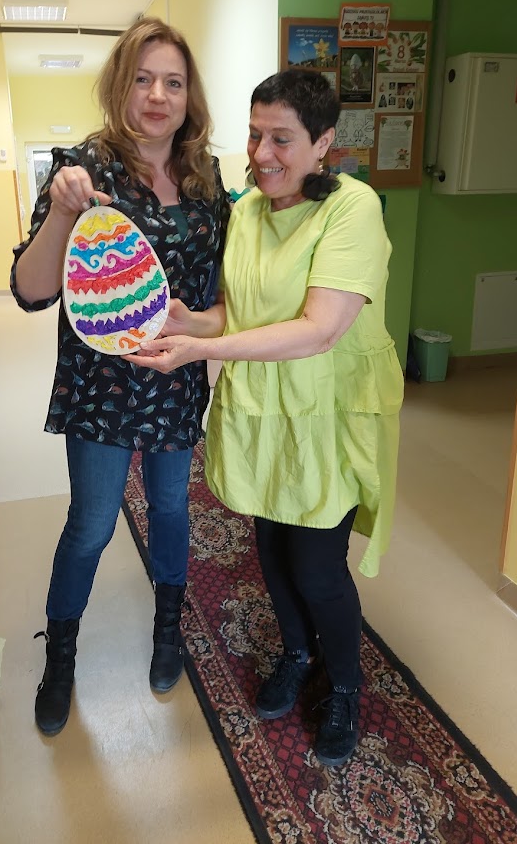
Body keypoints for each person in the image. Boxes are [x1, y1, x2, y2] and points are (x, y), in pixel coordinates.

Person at [128, 69, 403, 767]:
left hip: (326, 413)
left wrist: (202, 350)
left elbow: (319, 329)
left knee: (317, 565)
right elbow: (237, 311)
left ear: (323, 144)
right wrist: (187, 320)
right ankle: (298, 651)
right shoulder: (247, 210)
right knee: (273, 549)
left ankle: (345, 685)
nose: (262, 154)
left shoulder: (352, 210)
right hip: (265, 411)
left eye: (282, 139)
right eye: (255, 135)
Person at [10, 17, 230, 736]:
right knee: (92, 523)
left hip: (175, 380)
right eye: (143, 79)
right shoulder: (83, 168)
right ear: (119, 86)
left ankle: (168, 629)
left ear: (189, 95)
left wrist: (201, 329)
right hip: (101, 387)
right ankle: (61, 656)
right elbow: (31, 290)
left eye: (173, 81)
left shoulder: (206, 179)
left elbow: (222, 297)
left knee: (171, 508)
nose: (158, 95)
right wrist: (62, 210)